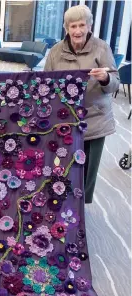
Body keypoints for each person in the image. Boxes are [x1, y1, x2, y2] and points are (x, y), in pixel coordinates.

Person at [44, 5, 120, 204]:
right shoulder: (55, 51)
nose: (77, 31)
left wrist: (105, 78)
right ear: (66, 28)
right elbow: (45, 83)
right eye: (73, 26)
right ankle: (61, 203)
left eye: (82, 25)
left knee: (86, 172)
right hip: (64, 120)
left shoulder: (101, 47)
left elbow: (115, 82)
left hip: (94, 119)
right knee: (61, 165)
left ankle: (81, 210)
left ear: (89, 26)